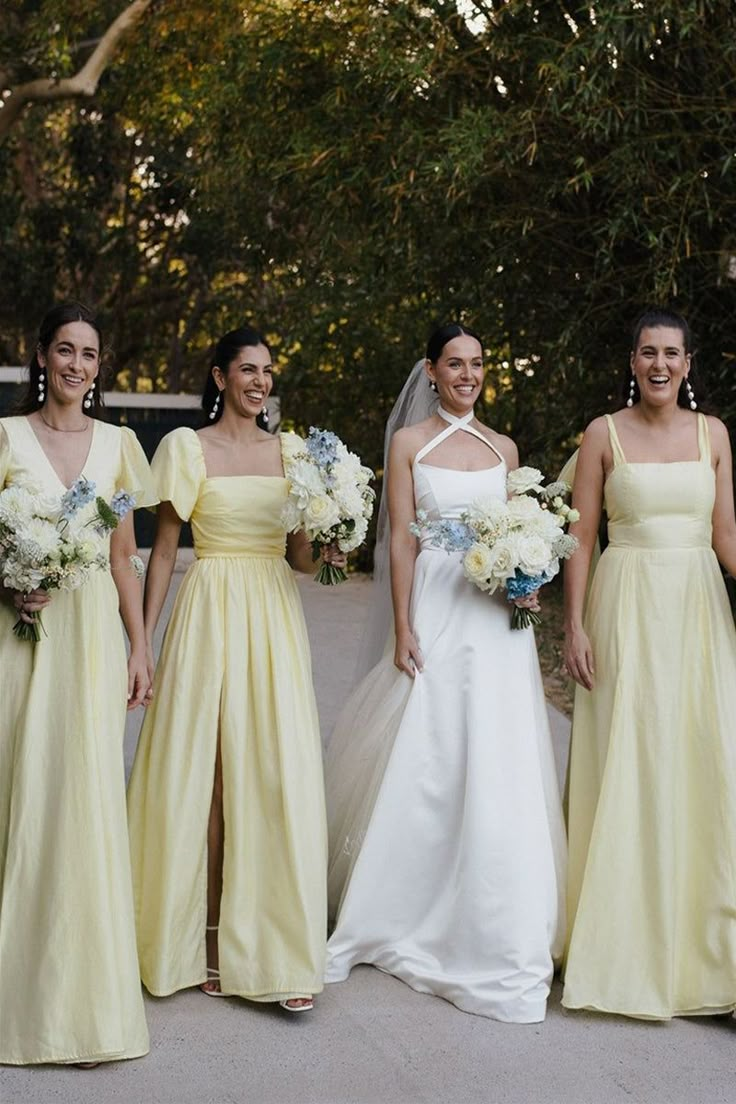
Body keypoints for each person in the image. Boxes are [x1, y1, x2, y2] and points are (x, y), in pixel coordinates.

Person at [324, 323, 566, 1023]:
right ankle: (402, 903)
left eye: (478, 364)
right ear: (431, 371)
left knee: (498, 752)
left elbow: (524, 532)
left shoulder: (505, 448)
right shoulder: (408, 445)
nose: (468, 375)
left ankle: (495, 915)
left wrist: (528, 582)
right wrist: (403, 624)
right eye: (455, 364)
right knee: (428, 754)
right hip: (436, 604)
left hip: (494, 620)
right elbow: (400, 537)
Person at [127, 326, 344, 1012]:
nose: (259, 381)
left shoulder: (295, 453)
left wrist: (332, 548)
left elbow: (303, 560)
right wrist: (145, 642)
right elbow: (163, 552)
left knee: (274, 771)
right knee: (212, 778)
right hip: (209, 610)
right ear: (220, 377)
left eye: (268, 371)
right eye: (247, 369)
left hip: (273, 615)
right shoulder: (185, 448)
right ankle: (209, 939)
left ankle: (276, 946)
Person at [562, 307, 736, 1019]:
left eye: (672, 353)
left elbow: (726, 536)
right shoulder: (603, 434)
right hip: (625, 603)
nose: (659, 364)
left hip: (697, 608)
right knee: (629, 762)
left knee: (706, 761)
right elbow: (579, 538)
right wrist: (572, 624)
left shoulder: (714, 434)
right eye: (647, 353)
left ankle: (708, 958)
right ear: (631, 362)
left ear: (689, 364)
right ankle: (619, 947)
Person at [0, 302, 154, 1065]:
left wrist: (140, 644)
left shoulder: (122, 448)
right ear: (41, 356)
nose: (76, 365)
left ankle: (85, 1006)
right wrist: (10, 583)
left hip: (92, 635)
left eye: (89, 354)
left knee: (85, 797)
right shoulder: (4, 436)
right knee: (18, 792)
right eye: (65, 349)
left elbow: (123, 551)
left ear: (100, 366)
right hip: (19, 636)